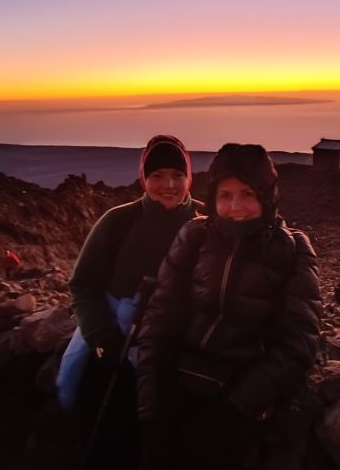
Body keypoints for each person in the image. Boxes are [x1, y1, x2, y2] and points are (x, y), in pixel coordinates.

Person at [135, 143, 322, 470]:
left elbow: (299, 344)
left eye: (248, 194)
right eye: (225, 195)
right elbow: (158, 318)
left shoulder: (292, 250)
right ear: (213, 197)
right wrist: (152, 404)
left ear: (267, 196)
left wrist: (235, 408)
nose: (236, 206)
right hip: (176, 379)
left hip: (236, 392)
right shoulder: (195, 235)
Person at [65, 135, 203, 469]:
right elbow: (85, 286)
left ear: (189, 178)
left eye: (177, 175)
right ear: (144, 178)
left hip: (179, 340)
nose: (168, 185)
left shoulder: (206, 224)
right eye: (157, 176)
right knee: (85, 397)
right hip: (120, 336)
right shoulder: (118, 221)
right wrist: (103, 338)